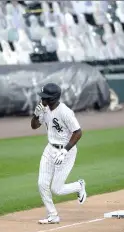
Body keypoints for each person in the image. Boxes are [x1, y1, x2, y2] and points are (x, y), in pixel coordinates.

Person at [31, 82, 87, 224]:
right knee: (42, 184)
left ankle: (79, 186)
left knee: (57, 189)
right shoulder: (44, 109)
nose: (42, 100)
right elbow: (34, 126)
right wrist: (36, 115)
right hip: (50, 149)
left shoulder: (65, 112)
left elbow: (78, 132)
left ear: (53, 98)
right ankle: (53, 215)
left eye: (45, 97)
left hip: (66, 151)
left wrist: (65, 151)